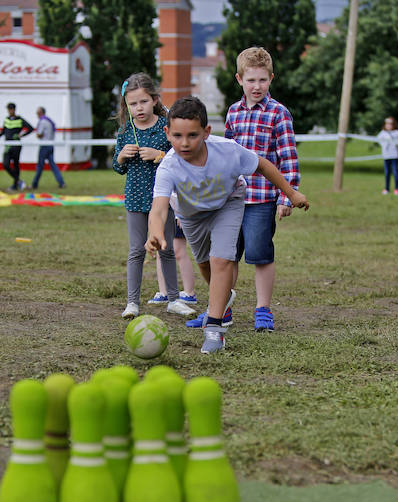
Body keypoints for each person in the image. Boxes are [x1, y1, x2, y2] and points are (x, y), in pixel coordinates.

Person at [147, 96, 308, 354]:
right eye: (177, 136)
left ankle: (215, 328)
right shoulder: (169, 166)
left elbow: (264, 165)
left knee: (220, 260)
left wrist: (291, 193)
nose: (184, 143)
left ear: (207, 132)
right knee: (204, 263)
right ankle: (223, 297)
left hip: (228, 203)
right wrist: (155, 233)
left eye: (192, 135)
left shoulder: (228, 150)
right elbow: (158, 207)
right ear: (167, 133)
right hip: (191, 215)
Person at [210, 46, 300, 333]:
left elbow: (288, 157)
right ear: (239, 79)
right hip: (231, 198)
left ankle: (263, 309)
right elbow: (225, 155)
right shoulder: (233, 112)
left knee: (261, 255)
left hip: (262, 199)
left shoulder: (279, 113)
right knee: (227, 255)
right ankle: (222, 309)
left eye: (262, 80)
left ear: (271, 79)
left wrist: (286, 196)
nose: (256, 86)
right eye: (251, 80)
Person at [113, 73, 195, 320]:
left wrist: (160, 155)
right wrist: (121, 156)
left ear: (154, 100)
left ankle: (173, 299)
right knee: (136, 250)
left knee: (166, 249)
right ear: (127, 105)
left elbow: (182, 159)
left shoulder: (165, 127)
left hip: (163, 199)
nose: (139, 108)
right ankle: (132, 303)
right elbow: (118, 168)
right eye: (134, 103)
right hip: (135, 199)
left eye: (144, 102)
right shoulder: (125, 131)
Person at [150, 198, 197, 306]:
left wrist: (181, 213)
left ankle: (189, 292)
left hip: (177, 213)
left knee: (178, 251)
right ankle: (164, 292)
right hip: (163, 213)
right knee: (160, 251)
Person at [0, 102, 33, 192]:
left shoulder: (20, 119)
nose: (10, 111)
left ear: (14, 110)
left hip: (16, 145)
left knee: (15, 165)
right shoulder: (6, 119)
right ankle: (19, 181)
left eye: (11, 109)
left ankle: (15, 185)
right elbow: (3, 131)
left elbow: (31, 128)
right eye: (8, 109)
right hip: (8, 145)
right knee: (5, 164)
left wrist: (21, 135)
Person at [31, 106, 65, 190]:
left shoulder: (42, 122)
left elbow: (39, 134)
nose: (37, 115)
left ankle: (34, 184)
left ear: (41, 113)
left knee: (40, 166)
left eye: (37, 113)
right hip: (51, 144)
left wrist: (38, 135)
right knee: (53, 165)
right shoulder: (50, 121)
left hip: (44, 145)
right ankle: (61, 182)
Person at [377, 117, 398, 195]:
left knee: (395, 172)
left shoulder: (397, 133)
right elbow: (378, 140)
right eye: (387, 124)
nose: (388, 126)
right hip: (386, 156)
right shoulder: (382, 133)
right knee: (387, 173)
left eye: (390, 124)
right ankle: (387, 188)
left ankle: (396, 189)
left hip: (394, 155)